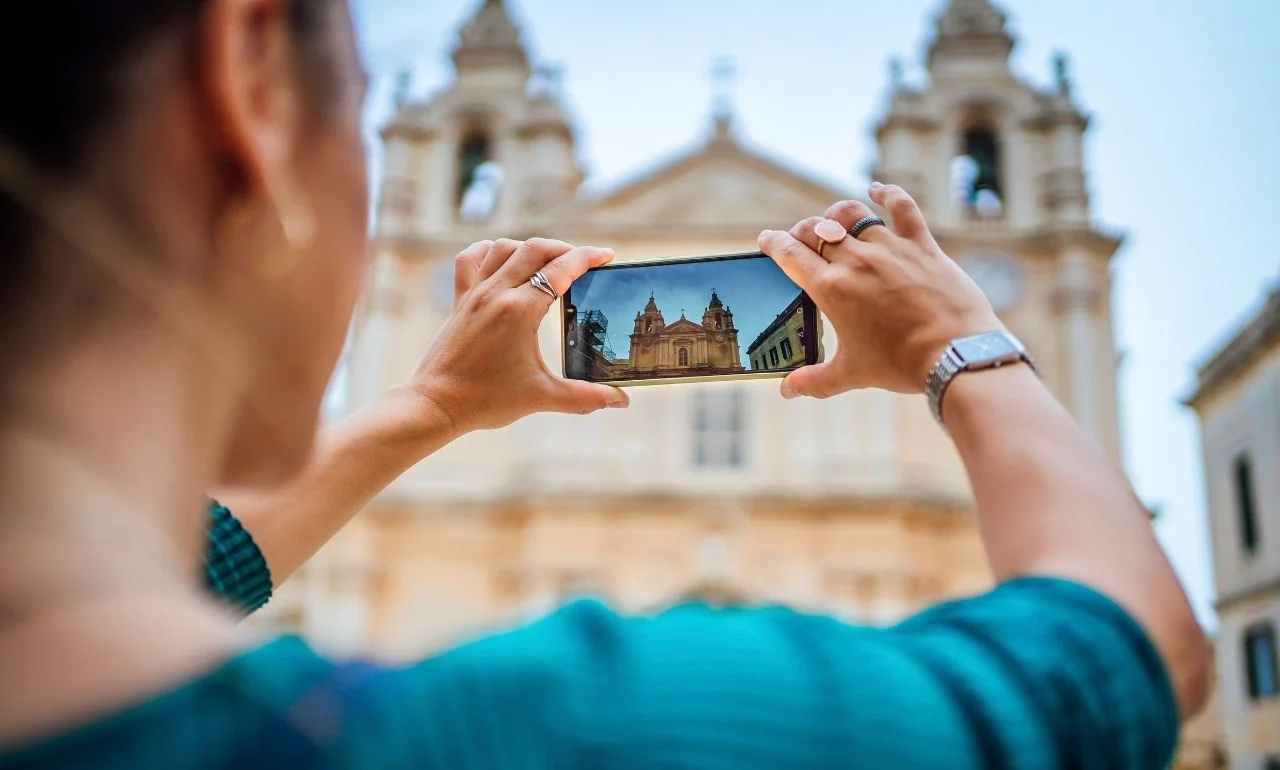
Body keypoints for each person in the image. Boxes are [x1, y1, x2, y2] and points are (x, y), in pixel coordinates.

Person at [0, 1, 1209, 768]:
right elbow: (1131, 647)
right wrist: (963, 341)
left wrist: (424, 409)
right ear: (248, 85)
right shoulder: (587, 724)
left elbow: (178, 565)